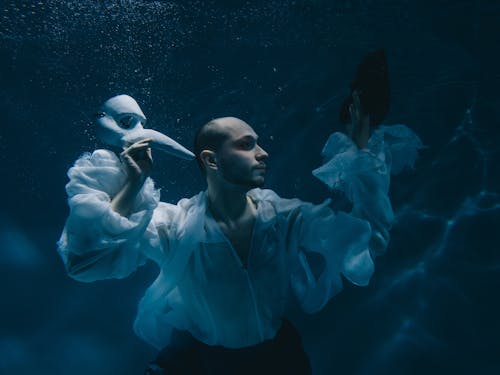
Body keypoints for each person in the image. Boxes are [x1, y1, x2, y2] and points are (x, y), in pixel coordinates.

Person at [57, 54, 422, 374]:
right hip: (193, 363)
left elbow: (367, 242)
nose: (262, 153)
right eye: (247, 145)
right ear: (211, 160)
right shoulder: (173, 225)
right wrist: (133, 184)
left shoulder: (285, 218)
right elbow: (83, 262)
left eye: (259, 143)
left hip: (277, 361)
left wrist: (361, 149)